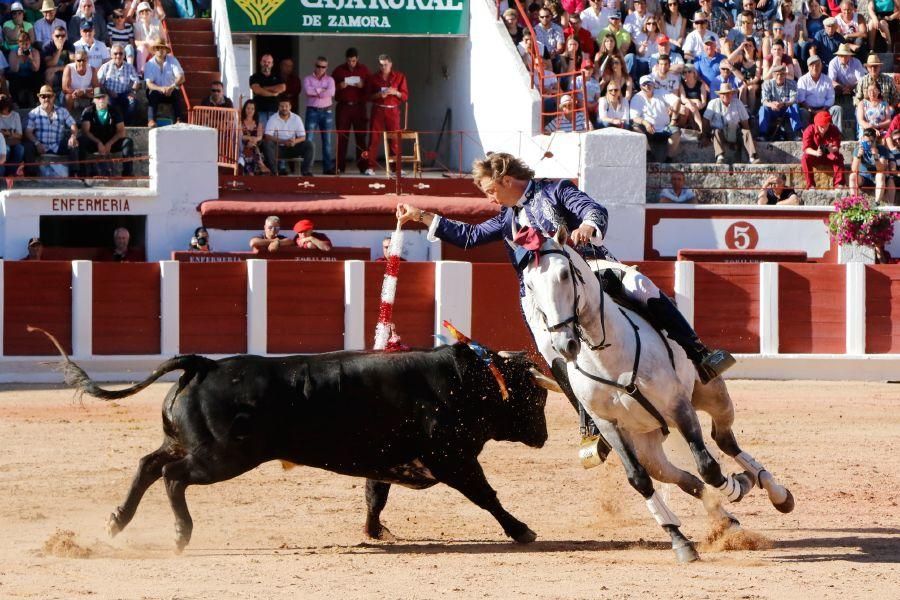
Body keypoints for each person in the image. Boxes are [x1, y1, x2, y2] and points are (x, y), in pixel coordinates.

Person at [394, 152, 736, 389]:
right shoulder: (506, 219)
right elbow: (468, 237)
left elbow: (592, 208)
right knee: (549, 349)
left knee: (640, 285)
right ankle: (589, 419)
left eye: (490, 190)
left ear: (506, 179)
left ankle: (698, 353)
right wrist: (421, 215)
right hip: (543, 294)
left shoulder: (555, 190)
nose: (490, 198)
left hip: (589, 268)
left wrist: (587, 225)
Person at [364, 54, 408, 176]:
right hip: (378, 110)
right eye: (381, 65)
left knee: (394, 139)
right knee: (374, 139)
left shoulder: (399, 76)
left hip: (393, 110)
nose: (383, 67)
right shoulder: (373, 78)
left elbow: (405, 96)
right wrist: (378, 95)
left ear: (390, 64)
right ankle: (370, 167)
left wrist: (395, 92)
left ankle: (396, 168)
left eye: (385, 65)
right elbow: (368, 97)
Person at [78, 87, 134, 176]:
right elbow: (85, 131)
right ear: (94, 100)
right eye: (98, 97)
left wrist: (110, 143)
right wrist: (98, 142)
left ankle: (127, 174)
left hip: (111, 142)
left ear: (107, 98)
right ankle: (82, 173)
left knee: (128, 142)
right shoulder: (88, 111)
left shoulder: (114, 111)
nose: (101, 100)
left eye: (103, 97)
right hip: (94, 142)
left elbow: (121, 131)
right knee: (81, 141)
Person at [25, 84, 79, 176]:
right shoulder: (33, 113)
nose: (46, 99)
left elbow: (73, 125)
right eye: (43, 96)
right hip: (40, 146)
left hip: (57, 145)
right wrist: (37, 143)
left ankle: (75, 174)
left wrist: (73, 136)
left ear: (53, 97)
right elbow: (28, 132)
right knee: (28, 146)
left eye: (49, 96)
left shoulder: (62, 111)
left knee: (74, 145)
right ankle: (31, 175)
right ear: (39, 98)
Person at [332, 47, 370, 175]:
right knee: (342, 137)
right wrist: (339, 86)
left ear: (357, 59)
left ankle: (363, 166)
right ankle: (340, 166)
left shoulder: (364, 69)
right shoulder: (339, 70)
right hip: (343, 107)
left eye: (353, 61)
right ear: (346, 59)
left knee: (361, 137)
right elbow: (330, 89)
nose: (351, 63)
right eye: (349, 61)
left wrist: (363, 85)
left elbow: (371, 87)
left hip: (359, 106)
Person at [703, 82, 760, 164]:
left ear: (732, 94)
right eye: (723, 94)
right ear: (720, 95)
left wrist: (750, 138)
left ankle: (752, 157)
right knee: (716, 132)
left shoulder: (738, 103)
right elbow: (705, 120)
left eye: (728, 93)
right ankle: (720, 157)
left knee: (746, 132)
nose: (726, 95)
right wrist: (705, 136)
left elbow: (745, 122)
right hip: (720, 133)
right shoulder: (713, 103)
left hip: (735, 132)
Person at [631, 74, 681, 161]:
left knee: (676, 132)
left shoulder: (661, 92)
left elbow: (677, 100)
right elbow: (634, 117)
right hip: (647, 130)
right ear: (640, 86)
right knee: (635, 128)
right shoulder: (637, 98)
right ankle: (649, 153)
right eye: (644, 84)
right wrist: (645, 123)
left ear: (654, 84)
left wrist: (673, 119)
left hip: (664, 129)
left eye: (649, 83)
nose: (647, 86)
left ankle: (669, 159)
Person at [262, 95, 314, 176]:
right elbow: (267, 136)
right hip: (278, 149)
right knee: (267, 143)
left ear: (290, 107)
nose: (284, 108)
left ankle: (306, 172)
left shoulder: (296, 118)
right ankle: (274, 172)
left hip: (293, 147)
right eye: (282, 106)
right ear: (278, 107)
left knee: (309, 144)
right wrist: (283, 141)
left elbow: (303, 137)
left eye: (286, 106)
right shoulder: (273, 118)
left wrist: (294, 141)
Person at [304, 55, 336, 175]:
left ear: (326, 68)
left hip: (326, 112)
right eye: (318, 66)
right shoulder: (307, 79)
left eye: (323, 67)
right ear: (315, 66)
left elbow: (331, 92)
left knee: (327, 141)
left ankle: (327, 168)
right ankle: (307, 169)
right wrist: (322, 91)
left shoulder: (330, 80)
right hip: (312, 110)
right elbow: (308, 91)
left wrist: (316, 91)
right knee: (309, 141)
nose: (320, 69)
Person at [143, 39, 186, 127]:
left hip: (171, 90)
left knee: (176, 94)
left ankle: (179, 120)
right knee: (153, 94)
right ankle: (151, 120)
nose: (160, 50)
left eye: (163, 48)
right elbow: (149, 84)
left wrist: (172, 87)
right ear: (154, 50)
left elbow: (182, 77)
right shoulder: (149, 64)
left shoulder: (173, 60)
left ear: (166, 50)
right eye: (158, 48)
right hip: (157, 91)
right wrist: (160, 88)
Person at [97, 42, 139, 124]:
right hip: (109, 94)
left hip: (124, 94)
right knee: (107, 102)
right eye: (115, 53)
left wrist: (133, 92)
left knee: (133, 101)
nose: (118, 56)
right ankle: (111, 124)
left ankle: (127, 124)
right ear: (111, 55)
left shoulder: (129, 67)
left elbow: (136, 81)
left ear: (124, 55)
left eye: (121, 53)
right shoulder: (105, 67)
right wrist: (108, 91)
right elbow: (99, 83)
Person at [801, 110, 844, 188]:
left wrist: (831, 149)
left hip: (828, 155)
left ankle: (839, 183)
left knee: (839, 157)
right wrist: (816, 152)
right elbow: (806, 148)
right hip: (814, 155)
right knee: (804, 158)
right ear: (816, 124)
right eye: (821, 126)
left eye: (826, 126)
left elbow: (836, 146)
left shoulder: (833, 129)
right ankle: (811, 185)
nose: (824, 129)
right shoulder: (809, 130)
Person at [758, 64, 801, 140]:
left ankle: (797, 133)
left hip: (786, 108)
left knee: (794, 106)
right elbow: (764, 100)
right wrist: (771, 104)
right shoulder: (767, 84)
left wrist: (783, 104)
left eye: (782, 74)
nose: (779, 76)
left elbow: (794, 99)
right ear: (773, 75)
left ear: (785, 74)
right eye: (777, 74)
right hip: (772, 109)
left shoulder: (792, 83)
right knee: (763, 108)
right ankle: (762, 134)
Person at [797, 55, 841, 128]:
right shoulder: (802, 80)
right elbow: (801, 99)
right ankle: (805, 135)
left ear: (821, 66)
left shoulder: (827, 80)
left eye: (817, 65)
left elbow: (831, 98)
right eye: (812, 65)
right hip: (808, 109)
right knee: (802, 111)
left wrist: (823, 109)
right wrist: (811, 110)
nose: (815, 67)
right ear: (808, 67)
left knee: (837, 109)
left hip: (825, 108)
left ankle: (838, 134)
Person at [850, 127, 892, 203]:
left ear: (875, 140)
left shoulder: (882, 150)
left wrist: (876, 156)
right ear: (862, 139)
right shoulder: (858, 149)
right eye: (866, 141)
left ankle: (877, 203)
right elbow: (854, 169)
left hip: (878, 179)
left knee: (880, 175)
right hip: (864, 178)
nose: (869, 144)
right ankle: (854, 202)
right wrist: (859, 156)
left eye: (871, 141)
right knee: (852, 176)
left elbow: (881, 169)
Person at [7, 30, 41, 107]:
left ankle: (37, 102)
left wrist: (31, 59)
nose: (24, 46)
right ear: (18, 43)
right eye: (21, 43)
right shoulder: (13, 52)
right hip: (18, 76)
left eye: (26, 43)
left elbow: (36, 69)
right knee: (13, 77)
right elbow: (14, 70)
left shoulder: (34, 51)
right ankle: (15, 103)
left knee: (37, 76)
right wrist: (18, 58)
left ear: (30, 42)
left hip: (30, 76)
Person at [249, 53, 284, 125]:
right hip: (259, 110)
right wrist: (273, 93)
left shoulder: (277, 76)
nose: (266, 64)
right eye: (264, 61)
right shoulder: (254, 77)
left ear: (272, 64)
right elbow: (257, 90)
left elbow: (282, 88)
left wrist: (264, 88)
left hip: (274, 110)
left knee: (273, 134)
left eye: (269, 62)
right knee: (260, 133)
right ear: (260, 62)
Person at [238, 98, 269, 175]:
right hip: (243, 145)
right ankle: (260, 164)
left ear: (255, 110)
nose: (250, 110)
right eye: (248, 108)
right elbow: (241, 136)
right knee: (251, 147)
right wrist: (250, 138)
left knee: (252, 146)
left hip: (255, 145)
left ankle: (250, 171)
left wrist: (253, 140)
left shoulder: (258, 123)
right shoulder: (240, 122)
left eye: (252, 108)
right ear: (244, 109)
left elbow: (260, 137)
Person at [61, 48, 96, 114]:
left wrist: (83, 92)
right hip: (73, 95)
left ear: (87, 60)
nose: (81, 62)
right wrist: (77, 92)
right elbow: (65, 89)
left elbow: (97, 89)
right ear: (75, 60)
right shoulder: (69, 68)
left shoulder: (92, 69)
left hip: (86, 95)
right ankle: (67, 118)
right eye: (79, 60)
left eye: (83, 60)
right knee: (68, 97)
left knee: (99, 96)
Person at [133, 1, 163, 75]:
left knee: (162, 50)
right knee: (141, 49)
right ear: (139, 14)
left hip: (156, 46)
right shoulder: (137, 25)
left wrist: (155, 44)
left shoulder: (157, 23)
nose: (144, 13)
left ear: (150, 11)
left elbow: (163, 39)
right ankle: (141, 73)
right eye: (142, 11)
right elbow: (136, 42)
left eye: (147, 10)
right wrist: (147, 43)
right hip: (145, 47)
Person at [42, 25, 73, 93]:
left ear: (66, 36)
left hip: (65, 71)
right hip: (54, 74)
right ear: (53, 36)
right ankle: (49, 94)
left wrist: (58, 68)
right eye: (57, 36)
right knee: (49, 72)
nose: (60, 38)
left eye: (63, 36)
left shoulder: (69, 45)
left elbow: (73, 65)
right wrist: (59, 50)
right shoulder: (47, 47)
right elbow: (51, 64)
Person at [0, 94, 24, 175]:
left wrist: (9, 133)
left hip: (15, 142)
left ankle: (12, 171)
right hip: (3, 143)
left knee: (20, 149)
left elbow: (20, 135)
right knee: (7, 150)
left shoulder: (15, 115)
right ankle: (5, 171)